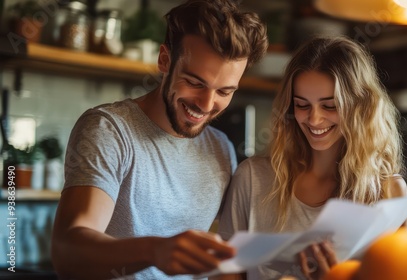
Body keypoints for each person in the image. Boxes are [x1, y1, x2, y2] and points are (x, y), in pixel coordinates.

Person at [50, 0, 268, 279]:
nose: (206, 103)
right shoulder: (110, 130)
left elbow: (229, 255)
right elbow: (68, 251)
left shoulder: (221, 149)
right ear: (165, 60)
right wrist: (154, 251)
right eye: (195, 82)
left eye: (224, 91)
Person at [217, 36, 407, 280]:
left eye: (330, 106)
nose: (314, 120)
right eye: (302, 105)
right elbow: (225, 274)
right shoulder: (252, 178)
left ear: (360, 107)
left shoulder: (388, 193)